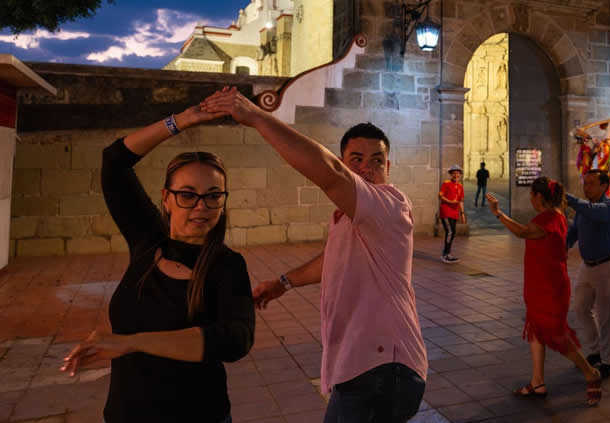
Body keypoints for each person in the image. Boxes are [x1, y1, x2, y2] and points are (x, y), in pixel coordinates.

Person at [201, 88, 427, 423]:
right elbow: (332, 259)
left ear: (388, 167)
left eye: (376, 161)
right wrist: (283, 283)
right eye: (356, 160)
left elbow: (330, 174)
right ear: (345, 161)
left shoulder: (389, 205)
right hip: (364, 366)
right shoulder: (350, 218)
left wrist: (258, 117)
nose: (367, 168)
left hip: (383, 369)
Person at [60, 106, 255, 423]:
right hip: (126, 414)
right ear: (166, 197)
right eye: (187, 195)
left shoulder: (227, 265)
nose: (201, 207)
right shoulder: (148, 239)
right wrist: (182, 120)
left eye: (213, 196)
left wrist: (132, 343)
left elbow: (236, 339)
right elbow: (115, 161)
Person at [486, 178, 602, 406]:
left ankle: (590, 373)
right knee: (537, 329)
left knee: (556, 335)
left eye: (531, 194)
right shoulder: (555, 215)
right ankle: (537, 382)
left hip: (550, 286)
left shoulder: (549, 218)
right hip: (540, 282)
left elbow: (522, 232)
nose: (530, 198)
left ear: (539, 196)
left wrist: (498, 213)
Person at [565, 170, 610, 379]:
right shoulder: (584, 208)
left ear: (604, 186)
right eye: (585, 183)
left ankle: (609, 361)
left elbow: (591, 211)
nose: (586, 188)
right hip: (587, 265)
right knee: (581, 308)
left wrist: (567, 198)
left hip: (607, 265)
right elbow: (575, 231)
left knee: (606, 316)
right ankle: (596, 350)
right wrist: (563, 245)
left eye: (591, 184)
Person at [439, 165, 466, 263]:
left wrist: (462, 213)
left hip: (455, 212)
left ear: (460, 174)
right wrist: (450, 201)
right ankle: (445, 254)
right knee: (450, 231)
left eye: (458, 173)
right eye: (454, 173)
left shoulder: (460, 186)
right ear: (451, 174)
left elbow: (460, 201)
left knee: (453, 232)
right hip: (446, 211)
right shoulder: (446, 184)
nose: (456, 175)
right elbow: (441, 196)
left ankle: (447, 253)